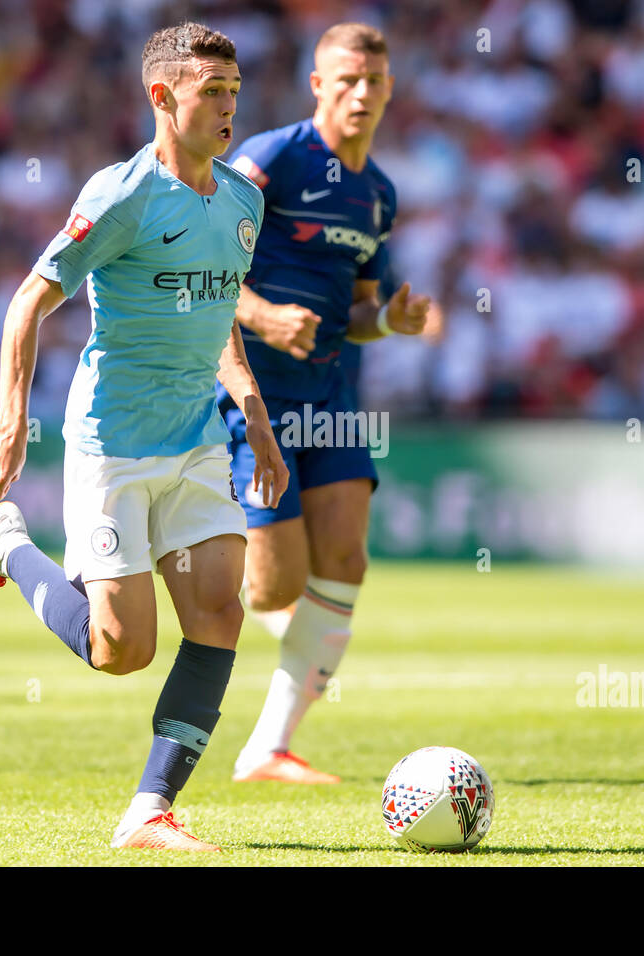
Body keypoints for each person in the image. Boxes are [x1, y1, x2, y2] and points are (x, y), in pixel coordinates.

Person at [0, 22, 289, 851]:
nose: (229, 108)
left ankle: (150, 810)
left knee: (218, 613)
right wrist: (11, 424)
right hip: (113, 444)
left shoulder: (244, 199)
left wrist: (257, 419)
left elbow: (218, 318)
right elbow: (29, 300)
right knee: (121, 650)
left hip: (198, 439)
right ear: (162, 97)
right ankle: (9, 547)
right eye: (213, 93)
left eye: (235, 92)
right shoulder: (121, 194)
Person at [220, 22, 430, 784]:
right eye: (347, 80)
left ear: (390, 90)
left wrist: (391, 322)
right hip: (254, 397)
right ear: (317, 85)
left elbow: (360, 312)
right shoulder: (269, 160)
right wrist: (267, 316)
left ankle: (270, 746)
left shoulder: (379, 194)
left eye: (374, 81)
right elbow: (204, 270)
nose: (362, 93)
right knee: (272, 587)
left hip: (334, 396)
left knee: (345, 560)